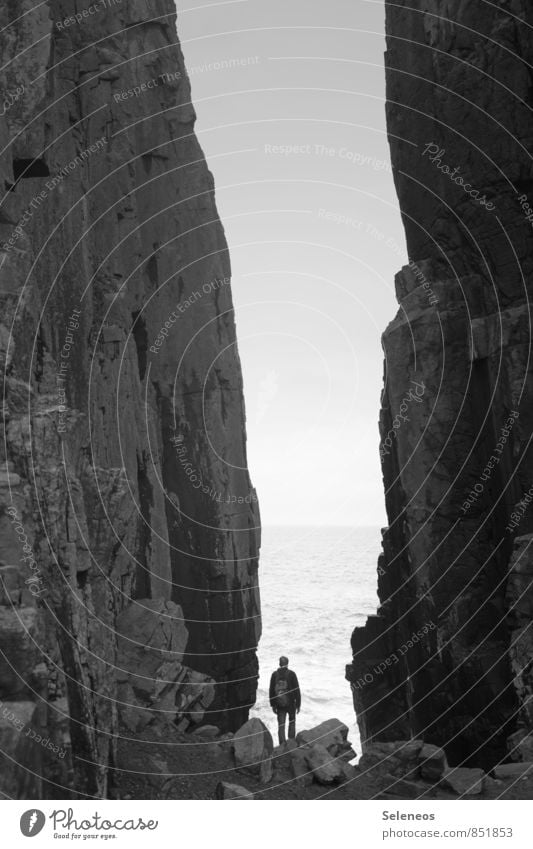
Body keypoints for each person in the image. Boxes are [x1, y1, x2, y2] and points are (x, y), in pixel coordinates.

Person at [269, 656, 301, 744]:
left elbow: (271, 690)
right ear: (287, 663)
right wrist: (298, 704)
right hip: (291, 704)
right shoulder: (292, 674)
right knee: (292, 722)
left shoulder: (274, 675)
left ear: (279, 664)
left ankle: (282, 745)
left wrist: (273, 705)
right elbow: (297, 690)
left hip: (279, 704)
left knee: (281, 725)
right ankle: (291, 742)